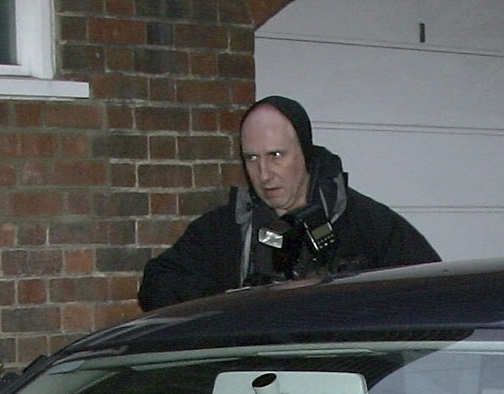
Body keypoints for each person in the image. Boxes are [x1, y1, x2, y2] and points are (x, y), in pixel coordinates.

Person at [136, 96, 439, 309]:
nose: (264, 174)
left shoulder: (366, 222)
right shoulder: (224, 229)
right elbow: (155, 286)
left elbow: (432, 292)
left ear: (305, 153)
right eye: (251, 158)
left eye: (276, 156)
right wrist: (232, 300)